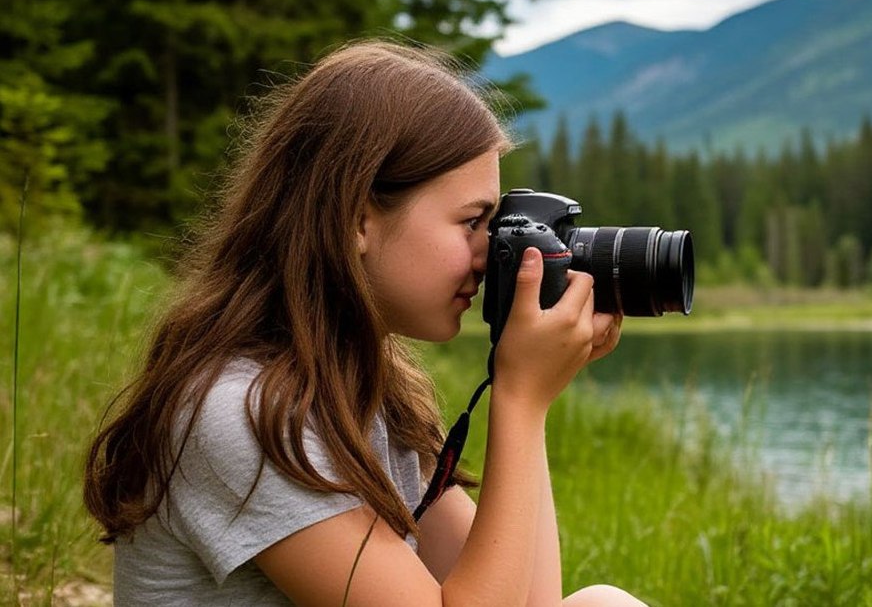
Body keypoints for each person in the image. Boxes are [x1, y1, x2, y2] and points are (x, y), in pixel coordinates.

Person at [83, 40, 646, 606]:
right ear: (358, 220)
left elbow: (531, 603)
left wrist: (531, 394)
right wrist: (520, 402)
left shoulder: (366, 393)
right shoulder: (242, 413)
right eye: (472, 221)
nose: (488, 253)